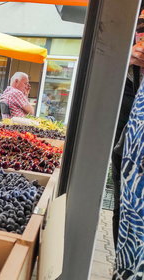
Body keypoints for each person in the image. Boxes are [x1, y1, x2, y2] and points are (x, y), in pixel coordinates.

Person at [112, 5, 144, 279]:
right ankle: (123, 268)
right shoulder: (130, 11)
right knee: (125, 203)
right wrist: (127, 60)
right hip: (129, 126)